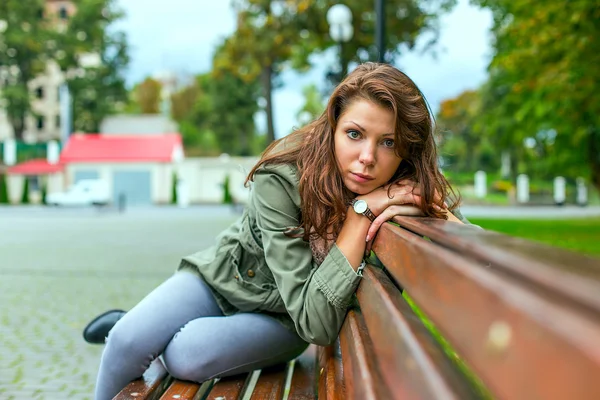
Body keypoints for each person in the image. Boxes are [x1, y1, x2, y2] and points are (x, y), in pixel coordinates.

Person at [91, 62, 469, 400]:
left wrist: (374, 213)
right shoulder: (285, 175)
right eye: (355, 134)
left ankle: (151, 327)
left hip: (286, 319)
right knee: (126, 340)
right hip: (227, 278)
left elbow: (314, 322)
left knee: (183, 354)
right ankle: (136, 324)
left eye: (388, 143)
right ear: (334, 125)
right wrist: (363, 211)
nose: (368, 157)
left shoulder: (403, 188)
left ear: (406, 151)